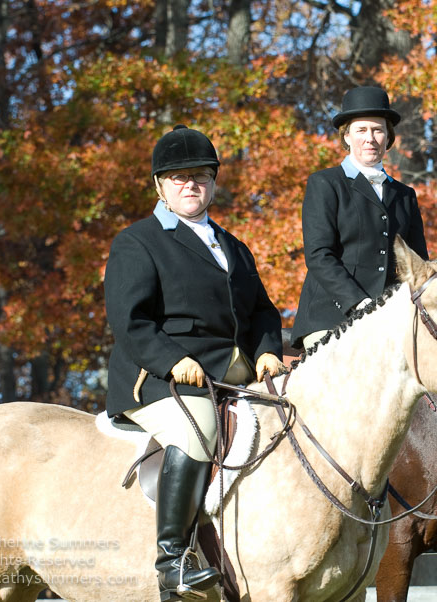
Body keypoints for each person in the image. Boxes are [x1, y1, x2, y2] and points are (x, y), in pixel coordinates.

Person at [104, 125, 285, 601]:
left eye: (201, 176)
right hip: (159, 379)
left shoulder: (233, 246)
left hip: (233, 375)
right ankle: (173, 561)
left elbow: (263, 310)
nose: (192, 185)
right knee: (198, 429)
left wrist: (267, 347)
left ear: (214, 182)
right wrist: (174, 359)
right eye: (180, 177)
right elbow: (130, 320)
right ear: (159, 185)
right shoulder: (138, 242)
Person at [291, 85, 429, 350]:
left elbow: (417, 263)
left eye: (378, 130)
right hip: (331, 316)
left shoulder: (405, 195)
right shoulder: (325, 183)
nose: (371, 138)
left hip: (391, 318)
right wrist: (360, 304)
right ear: (347, 137)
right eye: (362, 130)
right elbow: (319, 255)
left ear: (388, 136)